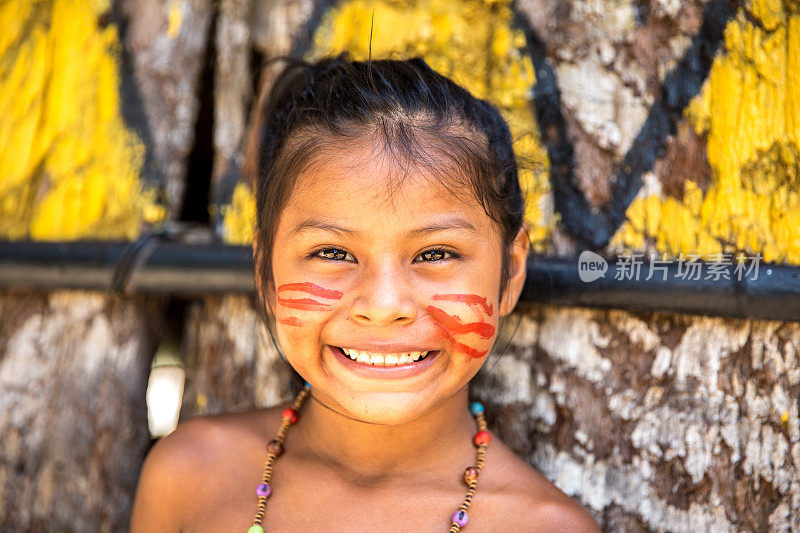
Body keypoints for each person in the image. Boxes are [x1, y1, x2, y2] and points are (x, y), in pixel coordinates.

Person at [131, 54, 600, 532]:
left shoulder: (545, 527)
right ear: (266, 269)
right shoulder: (190, 478)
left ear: (511, 272)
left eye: (436, 254)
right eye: (333, 253)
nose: (383, 305)